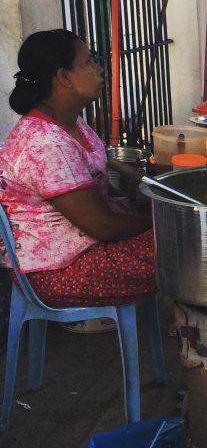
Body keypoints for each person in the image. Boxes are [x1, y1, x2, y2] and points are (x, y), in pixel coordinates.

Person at [0, 30, 155, 307]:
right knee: (189, 247)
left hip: (81, 251)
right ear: (64, 77)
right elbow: (103, 227)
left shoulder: (71, 123)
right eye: (89, 62)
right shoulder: (46, 143)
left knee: (192, 245)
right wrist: (161, 221)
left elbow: (99, 188)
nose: (99, 68)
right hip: (58, 270)